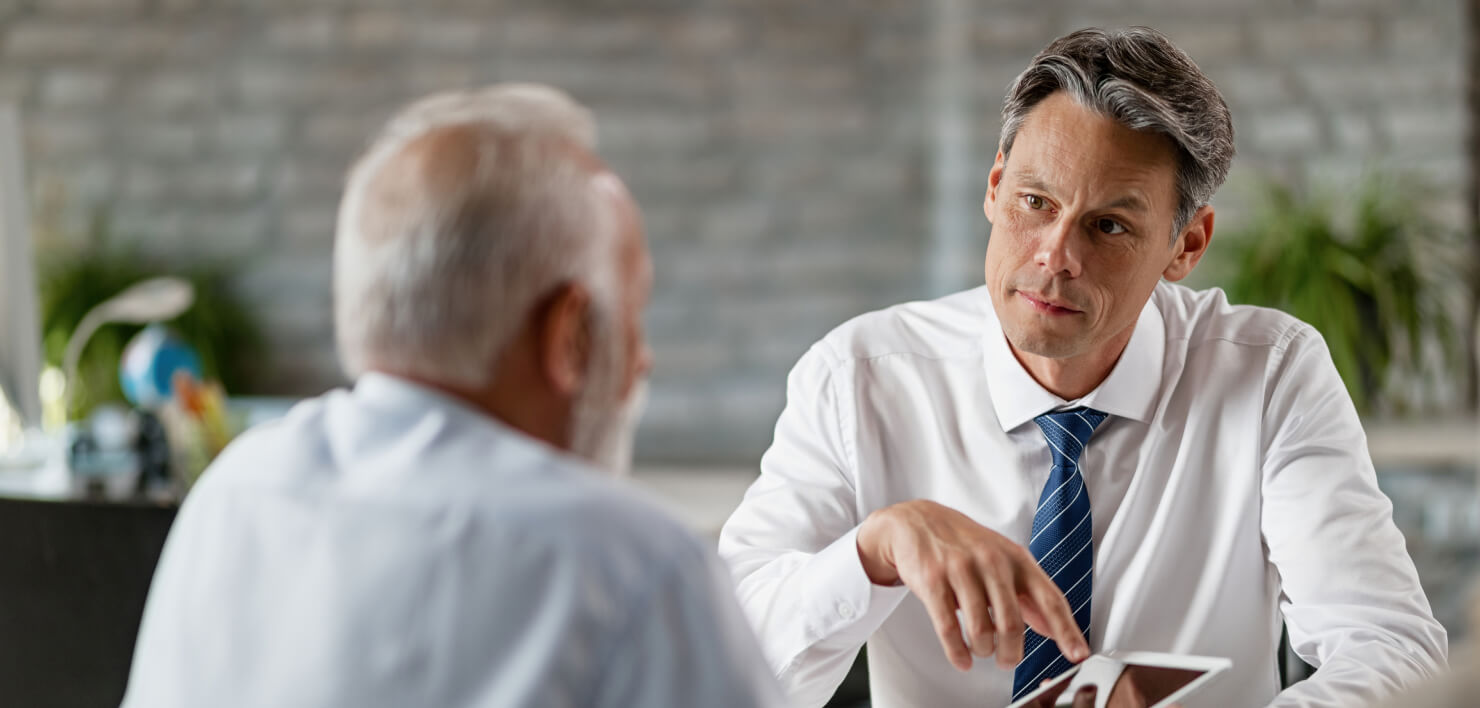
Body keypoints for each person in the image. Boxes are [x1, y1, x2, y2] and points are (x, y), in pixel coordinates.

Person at [719, 26, 1448, 708]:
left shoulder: (1270, 376)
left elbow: (1388, 644)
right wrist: (871, 553)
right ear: (995, 185)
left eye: (1108, 226)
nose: (1055, 255)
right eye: (1035, 202)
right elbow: (723, 665)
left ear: (1187, 246)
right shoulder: (858, 379)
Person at [123, 84, 781, 708]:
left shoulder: (234, 493)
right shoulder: (635, 571)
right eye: (634, 313)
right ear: (570, 335)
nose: (642, 359)